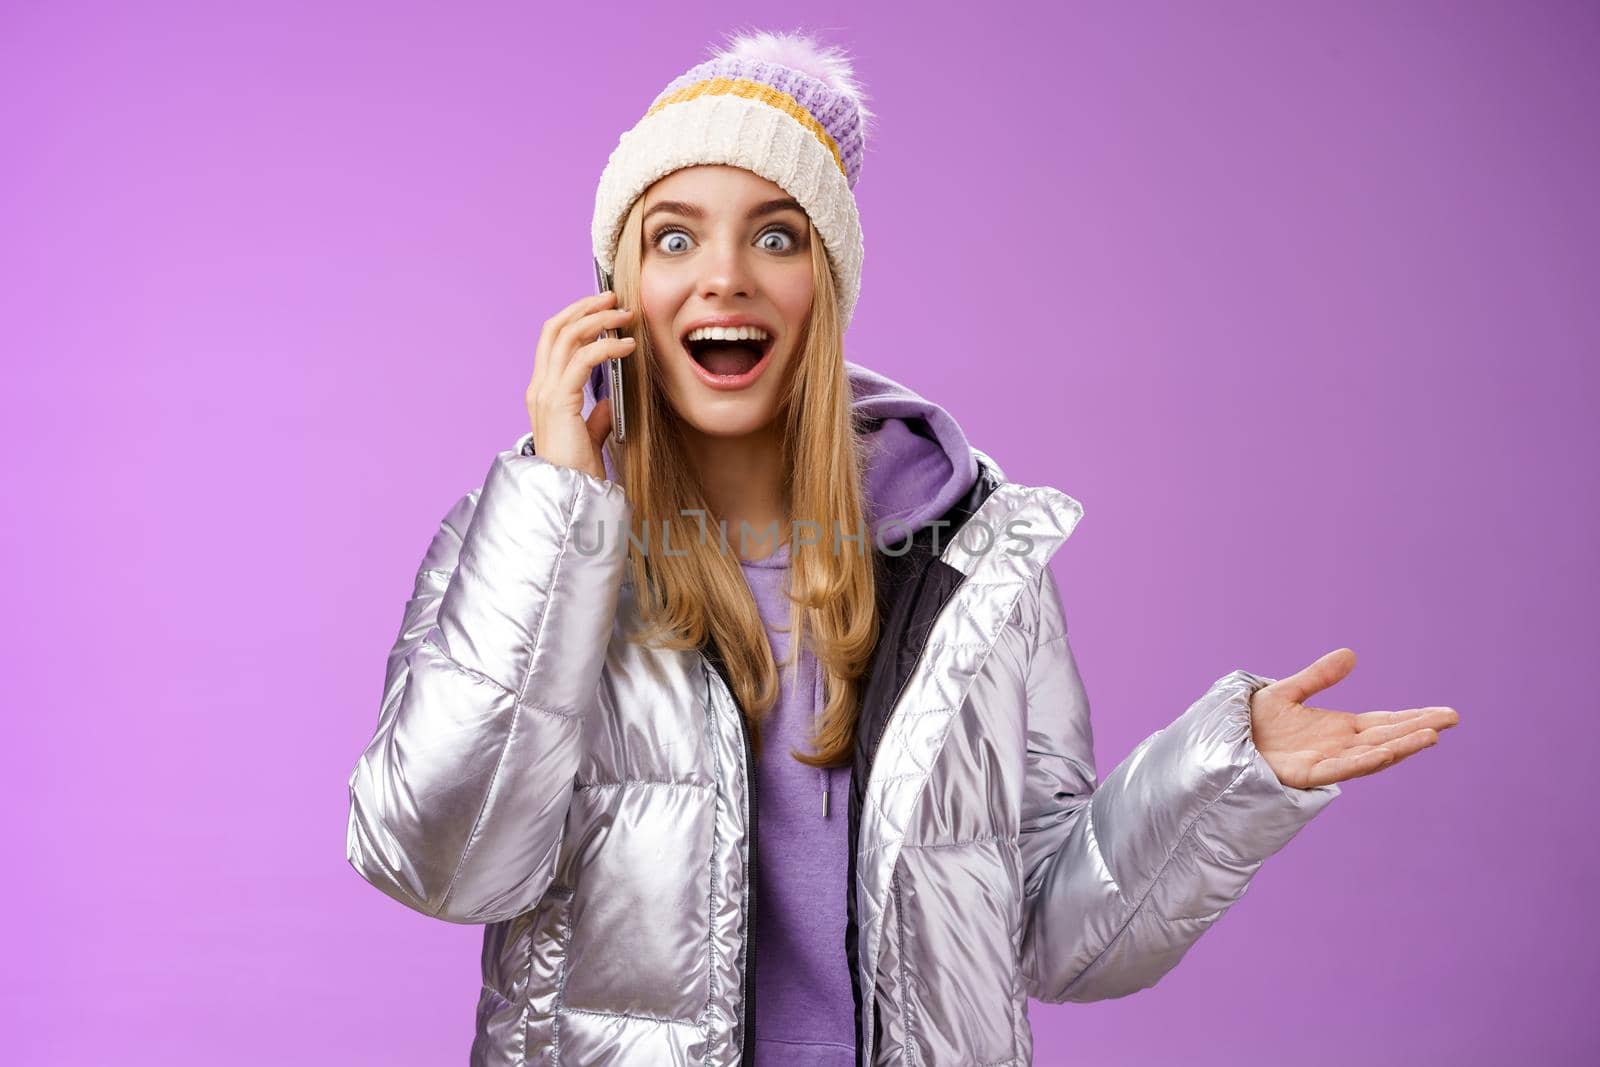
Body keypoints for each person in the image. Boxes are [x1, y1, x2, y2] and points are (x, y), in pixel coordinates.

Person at [344, 29, 1460, 1067]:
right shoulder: (526, 547)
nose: (723, 274)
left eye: (775, 234)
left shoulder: (975, 559)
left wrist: (1224, 775)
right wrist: (557, 511)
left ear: (823, 287)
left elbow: (1045, 931)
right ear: (619, 292)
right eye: (672, 235)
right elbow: (441, 865)